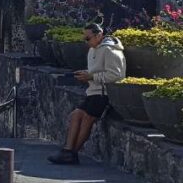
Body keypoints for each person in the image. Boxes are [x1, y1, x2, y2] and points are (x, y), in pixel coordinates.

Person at [49, 23, 126, 165]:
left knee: (87, 118)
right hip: (93, 92)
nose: (86, 41)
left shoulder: (110, 50)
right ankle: (68, 151)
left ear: (99, 35)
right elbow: (95, 71)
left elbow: (117, 76)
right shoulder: (92, 50)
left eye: (88, 38)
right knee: (76, 115)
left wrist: (92, 77)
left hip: (104, 94)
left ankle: (71, 153)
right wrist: (86, 75)